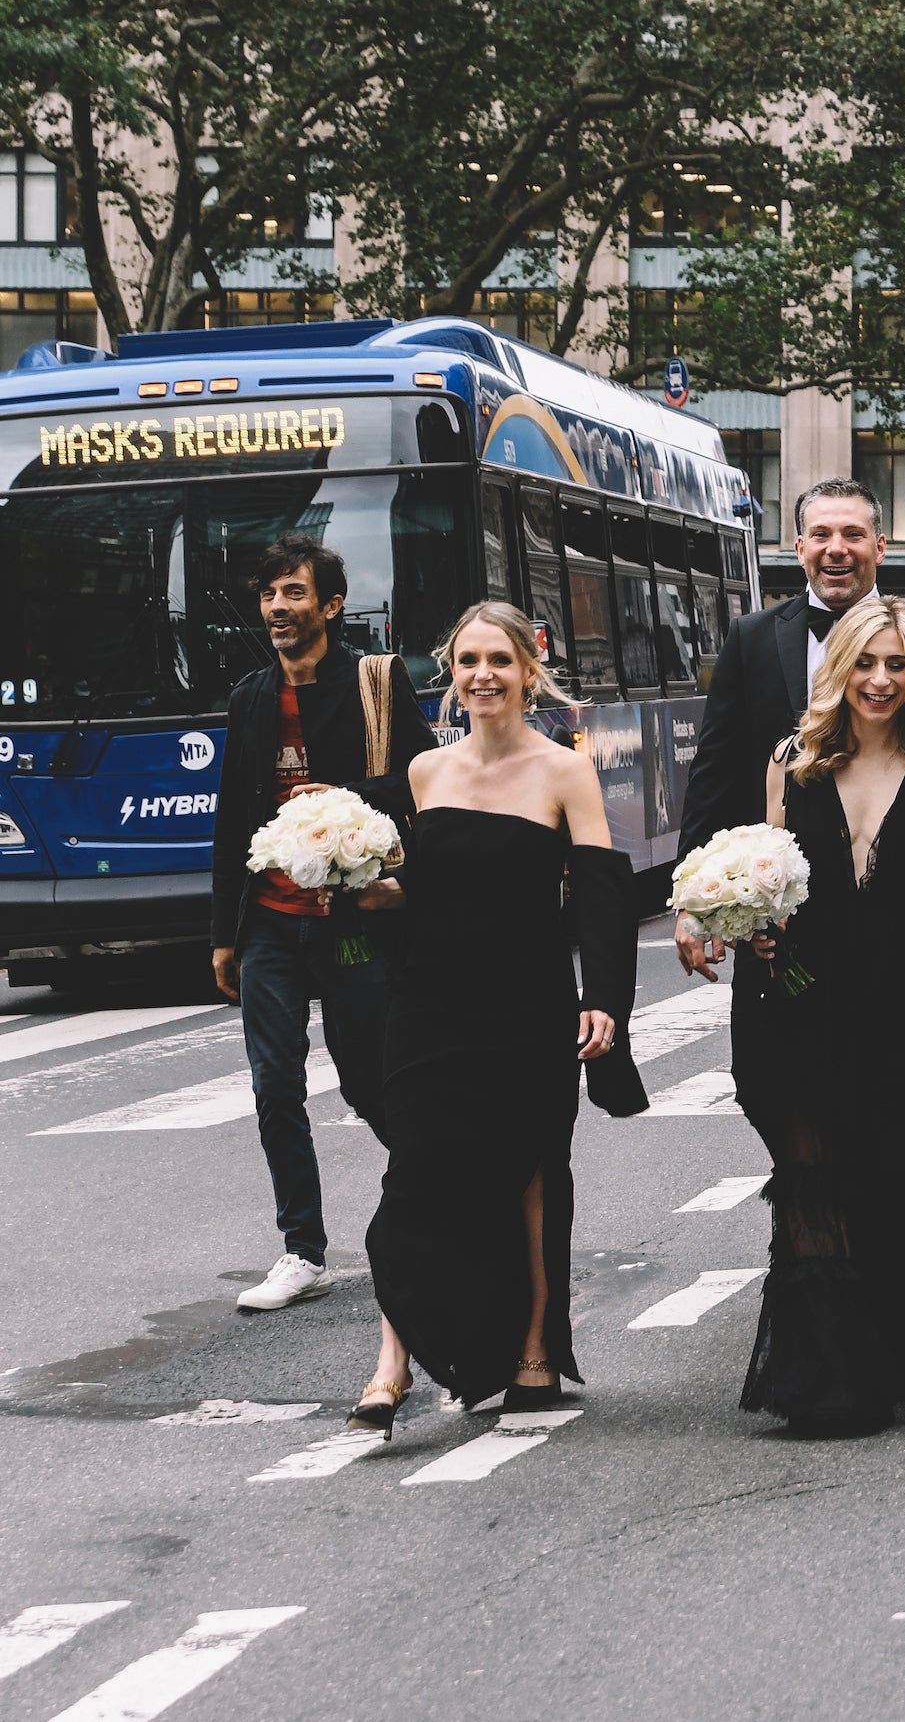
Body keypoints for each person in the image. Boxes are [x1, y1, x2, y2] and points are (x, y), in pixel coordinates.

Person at [691, 595, 905, 1436]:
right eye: (865, 663)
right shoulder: (791, 759)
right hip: (802, 989)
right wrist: (750, 925)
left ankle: (888, 1334)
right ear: (838, 669)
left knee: (893, 1166)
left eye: (896, 664)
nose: (879, 680)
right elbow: (770, 868)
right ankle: (827, 1375)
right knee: (813, 1169)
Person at [343, 605, 641, 1432]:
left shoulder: (564, 772)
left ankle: (535, 1350)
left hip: (526, 1003)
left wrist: (604, 1000)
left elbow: (603, 898)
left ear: (527, 670)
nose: (482, 676)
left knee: (532, 1179)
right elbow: (411, 889)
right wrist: (364, 889)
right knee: (414, 1177)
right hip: (428, 1002)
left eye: (499, 661)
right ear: (452, 672)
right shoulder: (423, 773)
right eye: (468, 660)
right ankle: (391, 1365)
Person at [211, 537, 427, 1315]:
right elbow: (231, 818)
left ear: (330, 605)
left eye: (295, 593)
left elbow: (422, 776)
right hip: (269, 920)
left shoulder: (374, 683)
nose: (278, 606)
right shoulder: (249, 698)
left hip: (352, 919)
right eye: (270, 593)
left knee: (370, 1081)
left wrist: (348, 794)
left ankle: (436, 1202)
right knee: (275, 1087)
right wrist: (223, 935)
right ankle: (302, 1248)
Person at [682, 479, 905, 915]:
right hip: (775, 906)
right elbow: (714, 773)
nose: (836, 548)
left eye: (853, 534)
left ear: (880, 547)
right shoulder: (750, 638)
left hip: (904, 905)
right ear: (799, 548)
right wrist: (694, 901)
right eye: (820, 535)